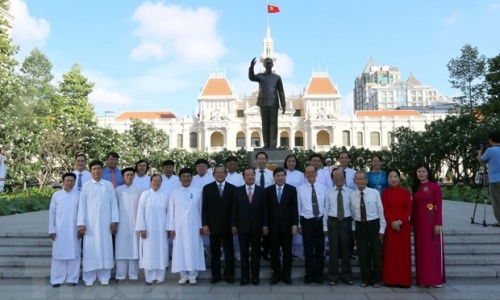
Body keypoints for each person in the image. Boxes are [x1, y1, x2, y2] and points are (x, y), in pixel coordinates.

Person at [77, 160, 119, 287]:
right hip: (90, 225)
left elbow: (114, 204)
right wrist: (81, 223)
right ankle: (89, 277)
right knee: (90, 250)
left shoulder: (108, 185)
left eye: (99, 168)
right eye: (94, 169)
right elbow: (82, 206)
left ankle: (104, 276)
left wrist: (114, 221)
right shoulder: (86, 186)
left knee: (105, 249)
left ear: (102, 170)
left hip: (105, 224)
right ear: (91, 171)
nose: (97, 171)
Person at [168, 168, 206, 285]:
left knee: (193, 249)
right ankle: (183, 275)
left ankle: (193, 274)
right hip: (179, 227)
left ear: (191, 178)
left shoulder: (198, 191)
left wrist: (201, 226)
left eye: (188, 176)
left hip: (194, 226)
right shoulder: (174, 192)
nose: (186, 178)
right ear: (179, 179)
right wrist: (171, 228)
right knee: (180, 250)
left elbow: (201, 210)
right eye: (183, 176)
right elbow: (171, 211)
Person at [232, 167, 268, 286]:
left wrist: (265, 225)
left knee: (256, 254)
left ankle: (255, 277)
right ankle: (245, 277)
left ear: (255, 175)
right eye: (247, 175)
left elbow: (265, 211)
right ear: (243, 177)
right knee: (244, 253)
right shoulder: (237, 191)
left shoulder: (262, 191)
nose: (250, 177)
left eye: (252, 175)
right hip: (242, 228)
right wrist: (233, 225)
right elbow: (234, 210)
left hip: (257, 228)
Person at [411, 163, 445, 288]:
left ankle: (435, 280)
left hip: (431, 222)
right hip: (419, 224)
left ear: (428, 173)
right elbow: (414, 208)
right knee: (421, 252)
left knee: (431, 251)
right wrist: (411, 223)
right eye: (418, 171)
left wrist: (438, 223)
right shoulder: (416, 187)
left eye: (423, 171)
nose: (421, 173)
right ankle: (423, 280)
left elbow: (439, 207)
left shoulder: (434, 187)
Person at [350, 171, 386, 288]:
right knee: (362, 253)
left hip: (374, 225)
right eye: (357, 179)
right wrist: (354, 228)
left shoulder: (374, 193)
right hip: (360, 226)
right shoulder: (352, 195)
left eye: (362, 179)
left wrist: (382, 229)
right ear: (354, 181)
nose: (360, 181)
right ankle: (366, 278)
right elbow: (352, 213)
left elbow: (380, 211)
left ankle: (376, 279)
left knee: (376, 253)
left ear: (366, 180)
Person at [202, 165, 236, 284]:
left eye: (222, 173)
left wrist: (234, 225)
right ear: (213, 174)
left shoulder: (233, 189)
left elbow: (234, 209)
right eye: (218, 173)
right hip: (213, 225)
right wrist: (205, 224)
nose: (220, 174)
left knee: (229, 251)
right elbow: (204, 208)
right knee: (214, 252)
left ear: (226, 174)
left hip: (228, 226)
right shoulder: (207, 188)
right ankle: (215, 275)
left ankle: (229, 274)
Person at [265, 167, 298, 285]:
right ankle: (276, 273)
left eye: (282, 175)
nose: (280, 178)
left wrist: (295, 224)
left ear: (285, 177)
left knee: (287, 251)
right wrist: (265, 225)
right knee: (273, 251)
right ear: (273, 177)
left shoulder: (292, 190)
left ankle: (286, 274)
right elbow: (266, 210)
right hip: (272, 227)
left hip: (287, 226)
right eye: (278, 176)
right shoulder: (268, 190)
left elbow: (295, 208)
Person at [136, 174, 171, 285]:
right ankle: (149, 277)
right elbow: (140, 212)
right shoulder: (145, 195)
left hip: (161, 230)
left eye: (159, 181)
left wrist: (169, 228)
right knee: (148, 252)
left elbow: (169, 213)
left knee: (161, 252)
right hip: (148, 230)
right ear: (150, 182)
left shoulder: (165, 195)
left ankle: (160, 277)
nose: (157, 183)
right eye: (154, 181)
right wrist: (142, 228)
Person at [48, 172, 81, 287]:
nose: (69, 183)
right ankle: (57, 279)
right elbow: (52, 213)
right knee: (58, 255)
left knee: (74, 255)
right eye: (67, 180)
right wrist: (51, 229)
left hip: (74, 230)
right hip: (59, 230)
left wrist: (80, 229)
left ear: (74, 182)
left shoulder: (79, 195)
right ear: (63, 182)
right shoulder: (56, 195)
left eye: (72, 181)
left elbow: (82, 213)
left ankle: (72, 278)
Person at [381, 169, 412, 288]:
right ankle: (390, 280)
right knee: (390, 253)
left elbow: (409, 209)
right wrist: (392, 222)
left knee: (403, 254)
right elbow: (385, 209)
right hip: (390, 227)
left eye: (395, 177)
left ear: (399, 178)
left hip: (403, 227)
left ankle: (404, 280)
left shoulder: (405, 192)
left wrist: (399, 222)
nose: (393, 179)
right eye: (390, 177)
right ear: (387, 179)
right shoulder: (385, 193)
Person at [324, 168, 354, 286]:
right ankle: (333, 275)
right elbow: (326, 209)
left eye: (341, 176)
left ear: (345, 177)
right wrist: (324, 226)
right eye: (335, 176)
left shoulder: (351, 192)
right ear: (332, 179)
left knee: (346, 249)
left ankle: (347, 275)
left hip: (346, 221)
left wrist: (353, 226)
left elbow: (353, 210)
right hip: (333, 222)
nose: (338, 178)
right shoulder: (329, 192)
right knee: (333, 250)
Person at [298, 165, 328, 284]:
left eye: (312, 172)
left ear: (316, 174)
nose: (310, 174)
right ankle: (309, 274)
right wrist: (299, 224)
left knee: (320, 250)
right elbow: (299, 207)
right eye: (307, 173)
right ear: (304, 175)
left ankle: (319, 274)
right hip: (307, 222)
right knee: (308, 249)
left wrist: (325, 224)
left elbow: (326, 207)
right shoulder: (300, 189)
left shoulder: (323, 188)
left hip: (320, 221)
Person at [248, 57, 286, 149]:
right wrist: (251, 67)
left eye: (270, 63)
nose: (268, 65)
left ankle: (273, 145)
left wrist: (283, 104)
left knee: (273, 124)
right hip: (263, 103)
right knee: (265, 124)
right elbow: (251, 77)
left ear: (272, 64)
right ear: (264, 65)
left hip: (274, 103)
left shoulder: (277, 77)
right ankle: (266, 144)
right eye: (267, 63)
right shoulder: (260, 76)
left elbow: (281, 91)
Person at [114, 167, 142, 283]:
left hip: (135, 223)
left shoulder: (138, 190)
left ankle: (133, 275)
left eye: (131, 175)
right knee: (121, 249)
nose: (129, 177)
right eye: (127, 175)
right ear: (122, 177)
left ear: (134, 176)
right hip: (121, 224)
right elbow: (114, 207)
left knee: (134, 250)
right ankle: (120, 275)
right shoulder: (118, 190)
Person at [283, 154, 305, 260]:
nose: (291, 163)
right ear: (286, 163)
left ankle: (296, 253)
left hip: (298, 201)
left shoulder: (300, 174)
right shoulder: (283, 173)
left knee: (297, 225)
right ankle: (286, 252)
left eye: (293, 161)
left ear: (296, 163)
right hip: (284, 203)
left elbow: (303, 187)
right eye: (289, 161)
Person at [255, 151, 274, 260]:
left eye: (263, 159)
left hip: (269, 205)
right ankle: (257, 251)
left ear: (266, 160)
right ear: (256, 160)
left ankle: (266, 251)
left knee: (268, 229)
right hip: (256, 206)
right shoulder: (252, 173)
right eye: (259, 159)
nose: (261, 161)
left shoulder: (272, 174)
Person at [478, 131, 500, 227]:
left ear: (491, 140)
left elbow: (481, 161)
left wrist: (479, 153)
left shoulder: (490, 150)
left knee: (497, 201)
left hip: (495, 179)